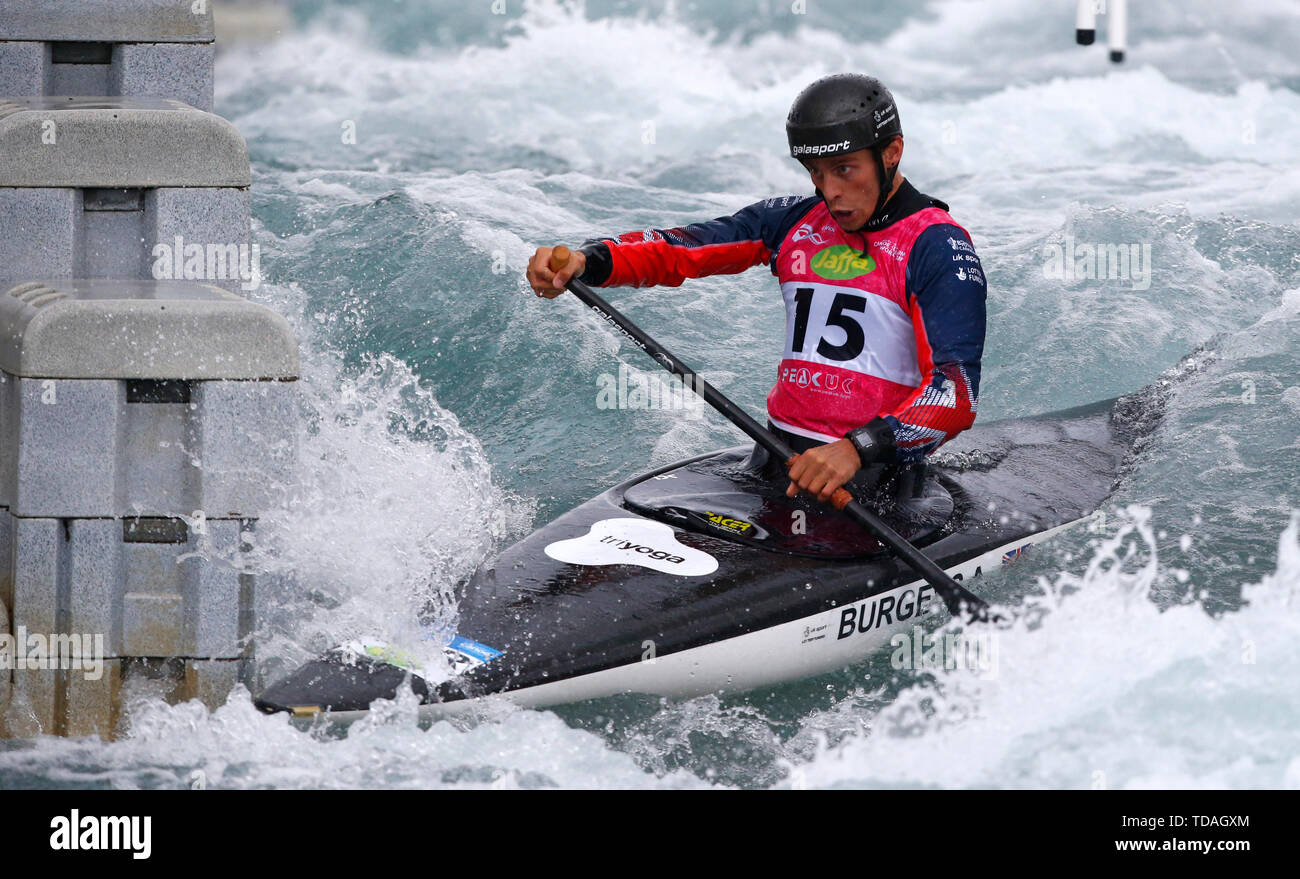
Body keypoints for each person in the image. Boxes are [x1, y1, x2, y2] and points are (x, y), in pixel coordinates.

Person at [526, 73, 986, 509]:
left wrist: (857, 449)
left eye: (845, 170)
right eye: (816, 172)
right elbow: (684, 247)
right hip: (774, 463)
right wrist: (591, 260)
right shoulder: (794, 221)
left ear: (891, 153)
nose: (830, 192)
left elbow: (956, 392)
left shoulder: (937, 246)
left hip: (873, 487)